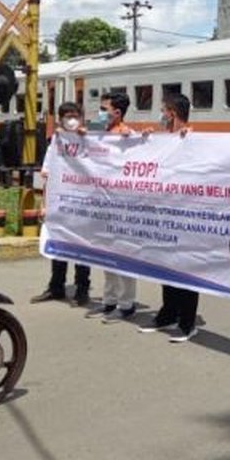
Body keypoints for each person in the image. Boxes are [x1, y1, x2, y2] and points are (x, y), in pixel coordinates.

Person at [136, 92, 201, 342]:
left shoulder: (193, 139)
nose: (161, 115)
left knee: (186, 268)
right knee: (166, 265)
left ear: (172, 113)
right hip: (164, 213)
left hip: (186, 215)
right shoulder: (166, 140)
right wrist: (145, 142)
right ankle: (168, 313)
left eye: (163, 110)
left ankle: (187, 322)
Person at [31, 102, 96, 307]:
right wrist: (44, 203)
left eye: (75, 115)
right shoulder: (56, 141)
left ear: (82, 117)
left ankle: (82, 289)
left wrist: (85, 136)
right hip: (61, 203)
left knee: (81, 247)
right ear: (60, 119)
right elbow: (47, 174)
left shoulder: (90, 140)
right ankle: (56, 286)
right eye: (67, 116)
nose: (71, 119)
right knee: (59, 244)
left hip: (84, 204)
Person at [92, 90, 139, 321]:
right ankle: (109, 301)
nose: (100, 113)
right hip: (103, 201)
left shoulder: (129, 136)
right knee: (105, 253)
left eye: (104, 109)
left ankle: (126, 304)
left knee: (123, 254)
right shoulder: (100, 134)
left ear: (117, 113)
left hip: (122, 204)